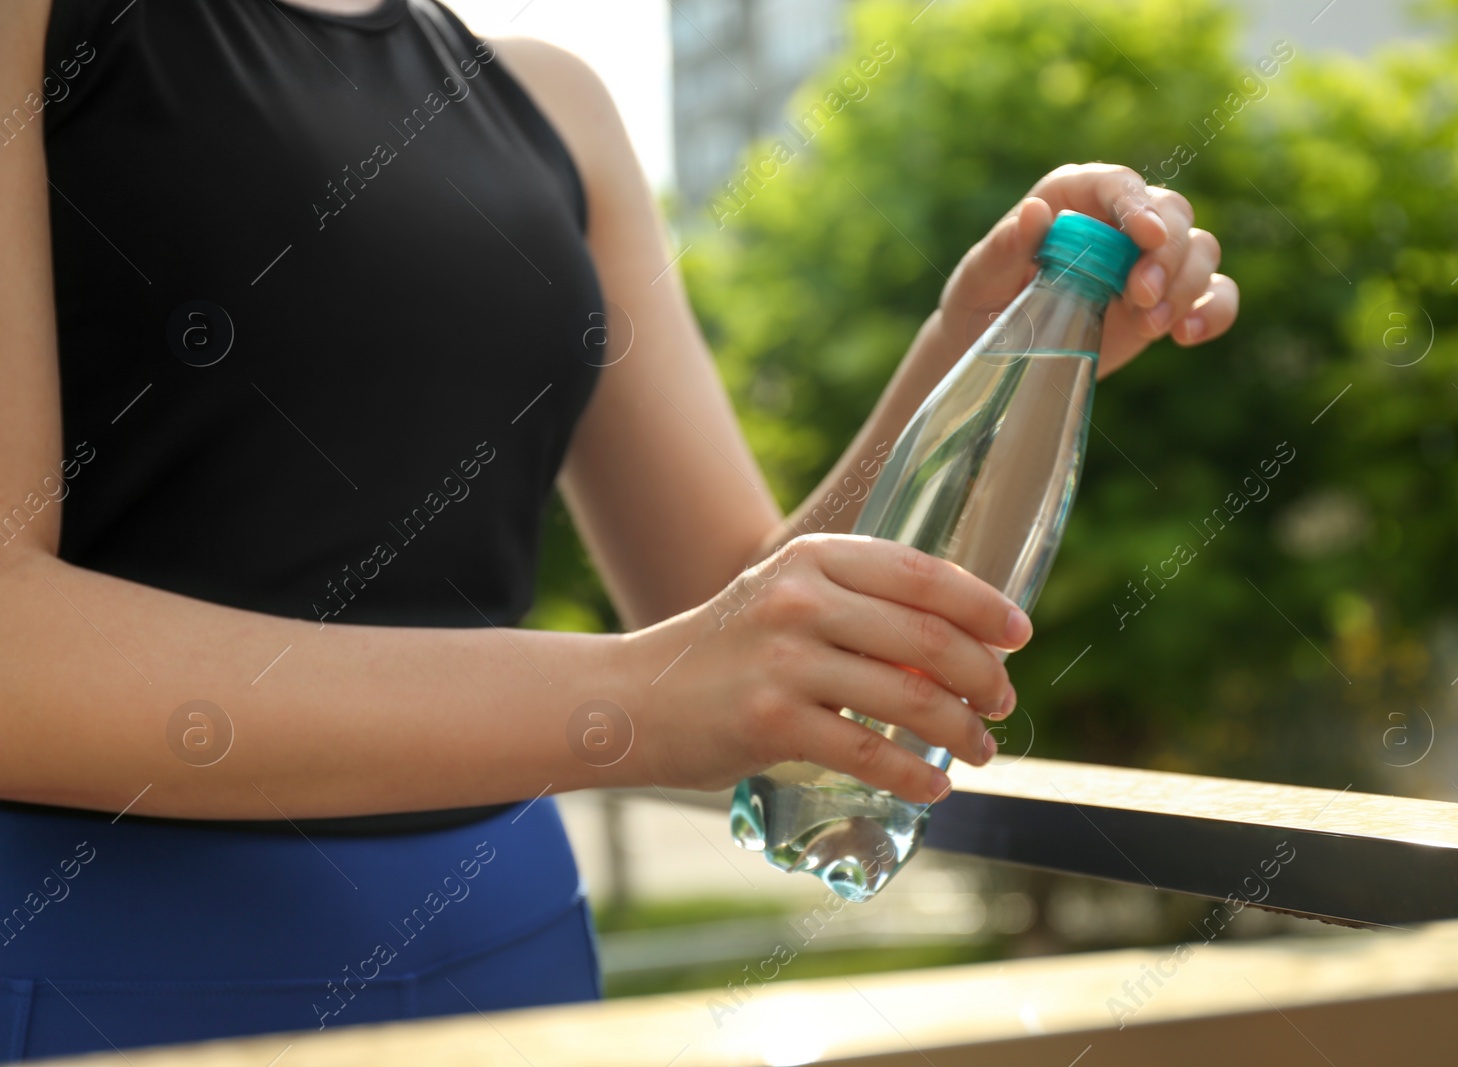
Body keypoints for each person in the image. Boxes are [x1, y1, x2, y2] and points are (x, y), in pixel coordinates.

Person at [0, 0, 1238, 1058]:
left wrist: (985, 342)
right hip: (112, 969)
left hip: (516, 953)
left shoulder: (552, 106)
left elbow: (724, 609)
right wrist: (637, 696)